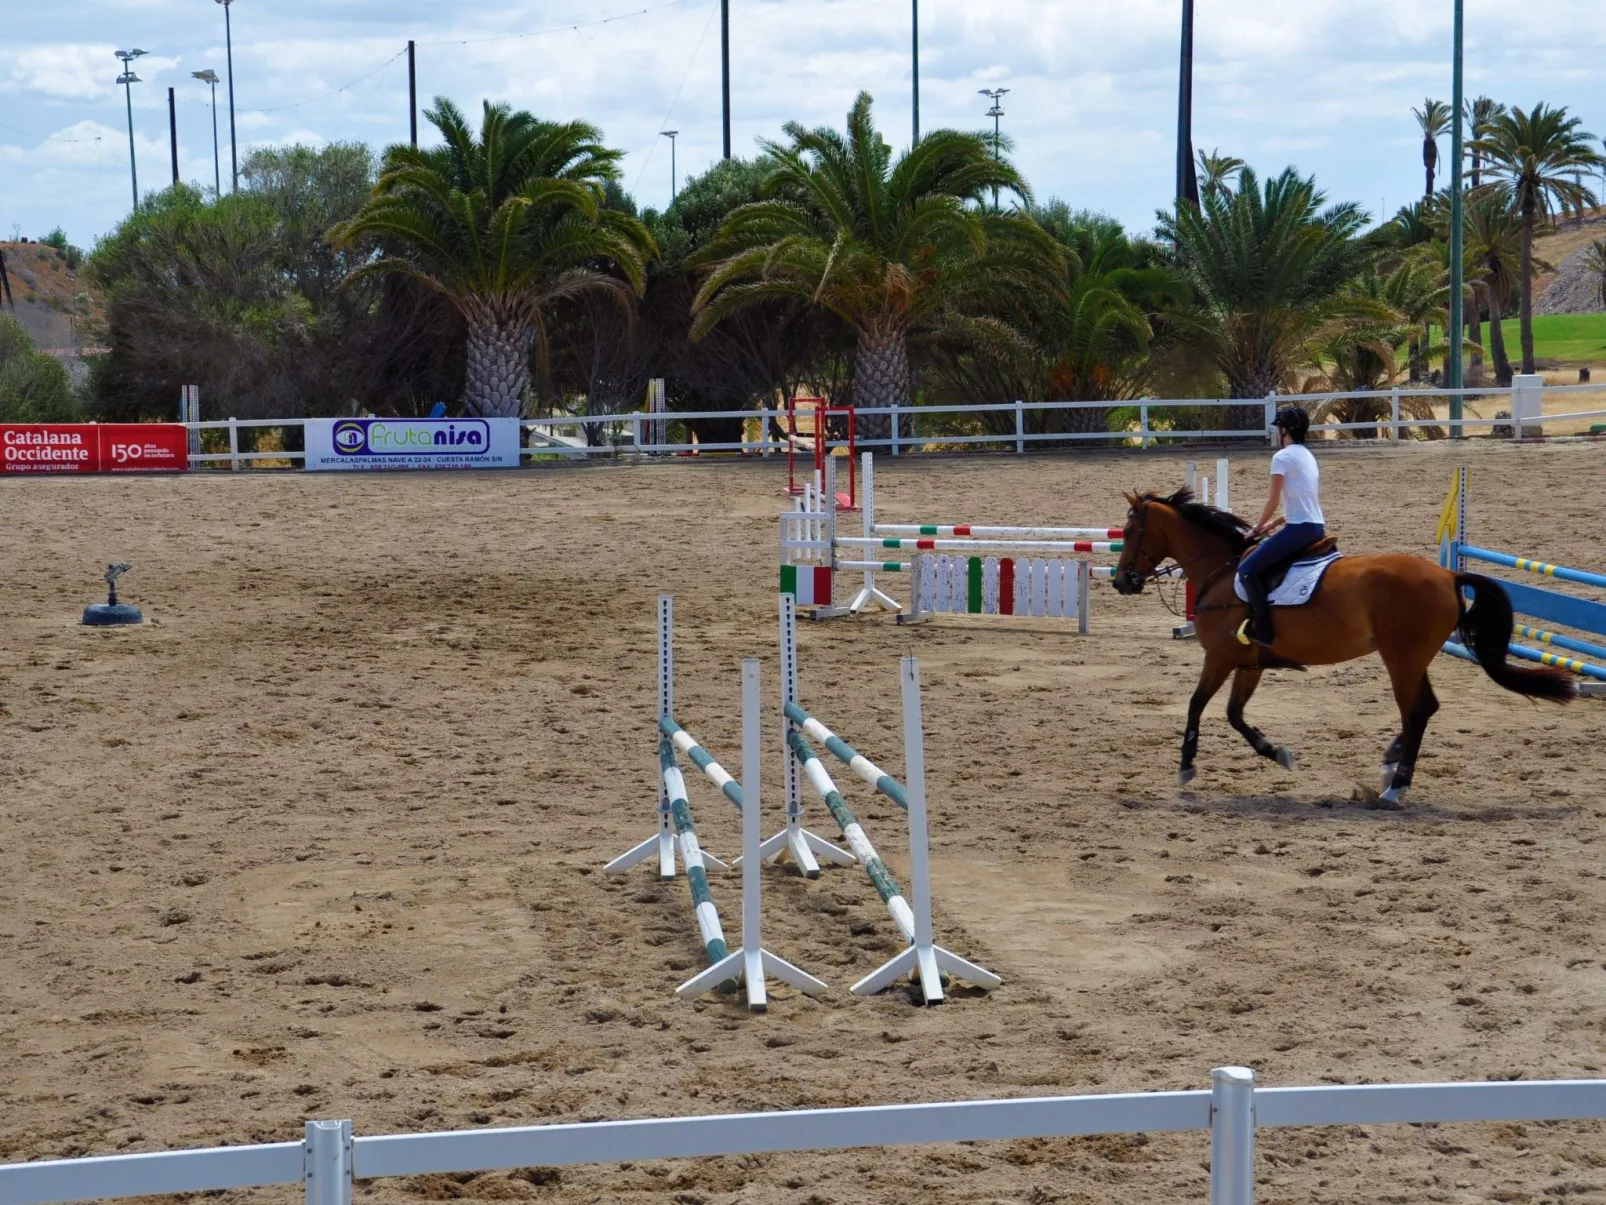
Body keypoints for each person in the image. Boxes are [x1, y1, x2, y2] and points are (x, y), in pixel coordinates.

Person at [1235, 405, 1325, 646]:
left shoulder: (1282, 457)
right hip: (1316, 527)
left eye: (1278, 428)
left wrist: (1256, 528)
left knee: (1247, 570)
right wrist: (1273, 524)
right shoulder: (1308, 456)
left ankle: (1262, 629)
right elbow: (1303, 501)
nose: (1277, 432)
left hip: (1299, 530)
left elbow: (1273, 500)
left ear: (1285, 430)